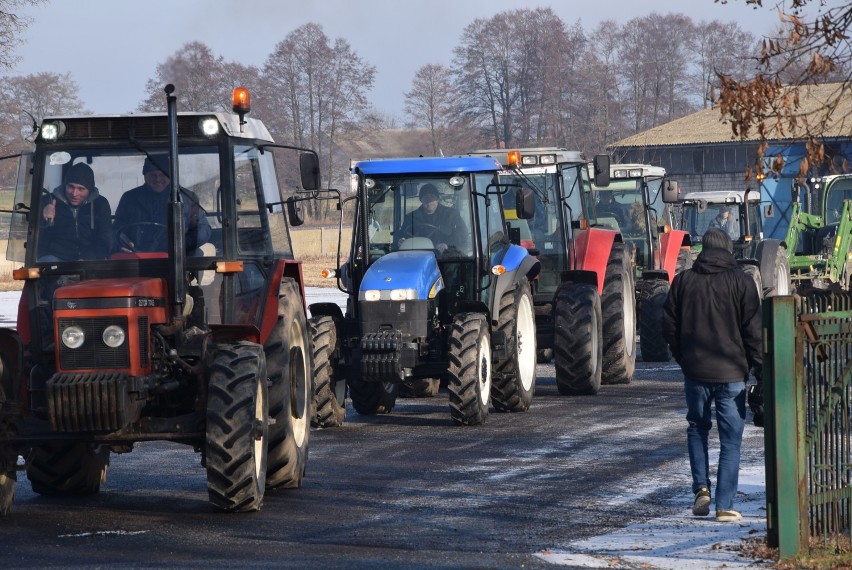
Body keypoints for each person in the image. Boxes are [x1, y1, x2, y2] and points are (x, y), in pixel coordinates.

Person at [662, 227, 762, 523]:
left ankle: (701, 487)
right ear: (728, 249)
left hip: (695, 371)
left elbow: (669, 326)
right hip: (732, 372)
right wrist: (759, 369)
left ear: (702, 250)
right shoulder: (742, 283)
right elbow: (753, 333)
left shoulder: (683, 282)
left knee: (697, 427)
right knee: (731, 439)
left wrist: (684, 358)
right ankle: (724, 505)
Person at [113, 156, 212, 254]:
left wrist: (181, 245)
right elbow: (117, 229)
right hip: (138, 254)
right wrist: (123, 244)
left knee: (196, 255)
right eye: (153, 175)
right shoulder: (130, 198)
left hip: (178, 255)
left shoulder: (187, 198)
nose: (157, 179)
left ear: (170, 176)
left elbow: (203, 228)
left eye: (162, 175)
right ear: (145, 176)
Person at [39, 162, 112, 261]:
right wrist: (41, 217)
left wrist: (88, 258)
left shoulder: (100, 204)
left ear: (90, 190)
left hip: (89, 259)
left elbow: (106, 238)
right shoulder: (47, 201)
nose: (74, 193)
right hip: (55, 258)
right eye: (71, 187)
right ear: (65, 185)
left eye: (81, 189)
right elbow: (34, 238)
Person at [398, 183, 465, 253]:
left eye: (432, 196)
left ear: (437, 199)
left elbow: (462, 233)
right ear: (421, 200)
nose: (429, 200)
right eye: (425, 197)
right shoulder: (411, 217)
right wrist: (401, 240)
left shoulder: (451, 214)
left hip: (446, 256)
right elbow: (402, 235)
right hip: (418, 255)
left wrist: (447, 244)